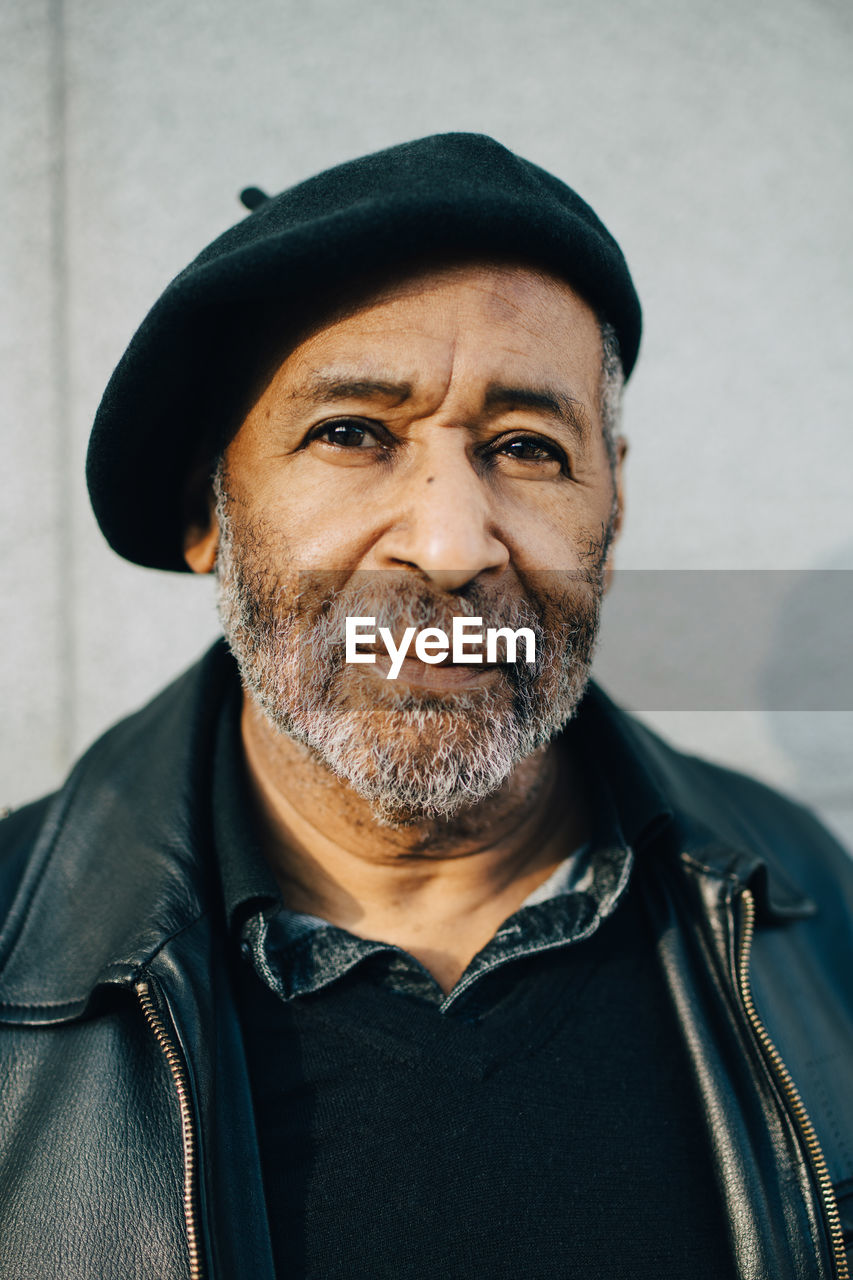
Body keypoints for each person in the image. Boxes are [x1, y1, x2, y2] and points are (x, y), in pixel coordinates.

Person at [0, 133, 850, 1280]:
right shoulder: (17, 950)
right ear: (212, 514)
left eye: (526, 448)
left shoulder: (806, 900)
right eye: (352, 434)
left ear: (612, 505)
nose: (451, 545)